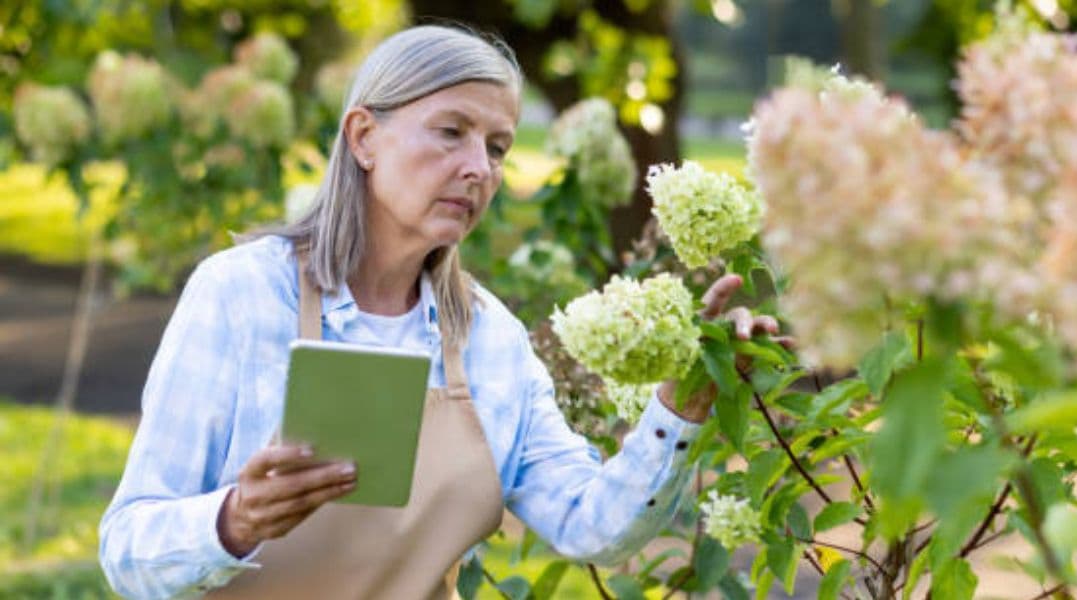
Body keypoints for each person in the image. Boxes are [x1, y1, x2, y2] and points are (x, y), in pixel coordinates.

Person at [98, 24, 782, 599]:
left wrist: (679, 412)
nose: (478, 167)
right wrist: (233, 521)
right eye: (451, 132)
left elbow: (591, 527)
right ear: (364, 137)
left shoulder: (490, 341)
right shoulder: (241, 297)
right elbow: (126, 549)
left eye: (497, 147)